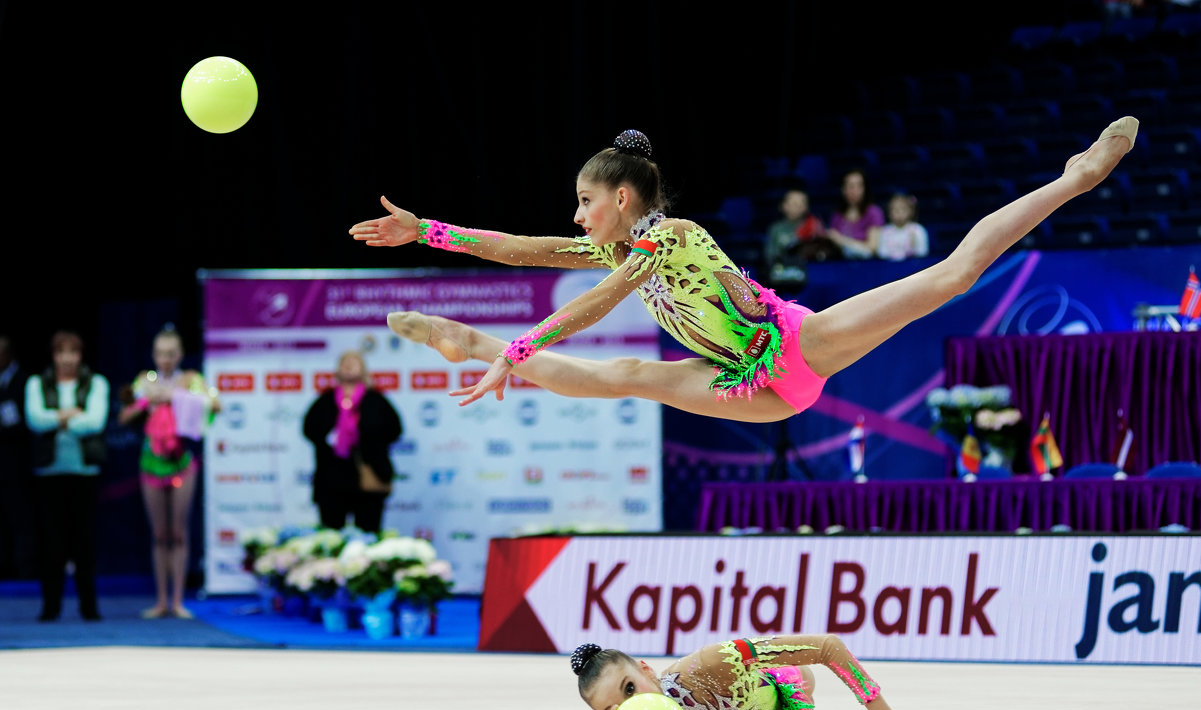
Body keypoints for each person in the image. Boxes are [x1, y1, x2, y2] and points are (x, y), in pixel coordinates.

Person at [349, 118, 1138, 424]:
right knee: (625, 372)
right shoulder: (612, 244)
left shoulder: (669, 238)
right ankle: (467, 342)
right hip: (741, 385)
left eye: (587, 202)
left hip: (794, 350)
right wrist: (426, 229)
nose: (578, 217)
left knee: (949, 278)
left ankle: (1071, 177)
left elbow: (597, 300)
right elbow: (518, 248)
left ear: (623, 199)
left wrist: (524, 352)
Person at [570, 635, 934, 710]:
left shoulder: (708, 665)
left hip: (779, 690)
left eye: (630, 688)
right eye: (613, 709)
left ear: (647, 670)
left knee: (803, 678)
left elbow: (828, 647)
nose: (631, 708)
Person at [117, 325, 220, 619]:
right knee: (160, 533)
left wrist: (179, 396)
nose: (165, 359)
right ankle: (161, 600)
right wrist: (149, 401)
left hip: (182, 461)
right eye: (160, 354)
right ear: (153, 355)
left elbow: (216, 404)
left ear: (180, 355)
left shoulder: (191, 380)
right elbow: (124, 416)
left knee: (178, 532)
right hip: (152, 461)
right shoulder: (144, 382)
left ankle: (178, 601)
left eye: (171, 354)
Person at [24, 330, 110, 622]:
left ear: (80, 355)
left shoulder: (96, 383)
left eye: (72, 353)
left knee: (84, 542)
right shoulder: (37, 383)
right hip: (49, 473)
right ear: (54, 356)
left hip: (84, 472)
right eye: (61, 353)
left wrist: (57, 419)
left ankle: (89, 607)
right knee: (52, 543)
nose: (67, 359)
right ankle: (51, 607)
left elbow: (94, 422)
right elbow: (35, 419)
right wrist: (71, 414)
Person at [302, 349, 402, 534]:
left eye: (354, 362)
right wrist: (333, 435)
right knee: (330, 535)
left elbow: (395, 430)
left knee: (368, 535)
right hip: (331, 478)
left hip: (368, 475)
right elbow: (309, 429)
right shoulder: (325, 400)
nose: (348, 366)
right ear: (337, 370)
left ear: (363, 370)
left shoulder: (376, 400)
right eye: (344, 362)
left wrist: (363, 436)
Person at [0, 334, 36, 581]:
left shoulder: (25, 382)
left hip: (19, 466)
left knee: (22, 521)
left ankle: (25, 574)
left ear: (8, 354)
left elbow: (28, 424)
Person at [826, 167, 885, 259]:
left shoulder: (873, 212)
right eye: (850, 186)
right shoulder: (837, 216)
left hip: (869, 266)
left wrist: (841, 239)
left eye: (859, 186)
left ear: (865, 189)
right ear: (843, 189)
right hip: (842, 266)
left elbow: (872, 249)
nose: (854, 191)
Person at [877, 191, 930, 261]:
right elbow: (882, 253)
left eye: (903, 209)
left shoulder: (918, 230)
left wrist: (914, 246)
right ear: (889, 213)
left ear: (911, 211)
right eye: (895, 210)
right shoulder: (885, 231)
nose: (899, 213)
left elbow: (923, 252)